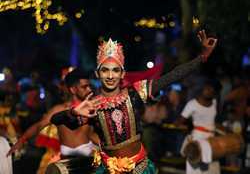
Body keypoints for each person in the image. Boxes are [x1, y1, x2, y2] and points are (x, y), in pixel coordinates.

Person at [57, 30, 217, 174]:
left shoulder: (136, 93)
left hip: (139, 169)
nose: (110, 76)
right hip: (107, 170)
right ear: (97, 74)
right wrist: (73, 112)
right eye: (105, 70)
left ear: (122, 73)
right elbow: (55, 120)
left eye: (115, 70)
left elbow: (172, 76)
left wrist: (201, 58)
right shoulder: (92, 104)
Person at [7, 69, 99, 167]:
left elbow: (94, 134)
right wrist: (21, 140)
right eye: (84, 87)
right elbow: (39, 125)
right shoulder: (59, 109)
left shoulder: (94, 107)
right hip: (66, 161)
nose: (89, 90)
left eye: (89, 86)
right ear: (73, 90)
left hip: (89, 160)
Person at [176, 78, 222, 174]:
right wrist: (188, 127)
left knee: (211, 168)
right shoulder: (192, 104)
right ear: (204, 87)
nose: (209, 91)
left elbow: (212, 121)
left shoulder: (214, 102)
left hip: (212, 140)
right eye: (208, 88)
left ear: (214, 93)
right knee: (195, 168)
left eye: (212, 90)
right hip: (197, 139)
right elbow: (179, 122)